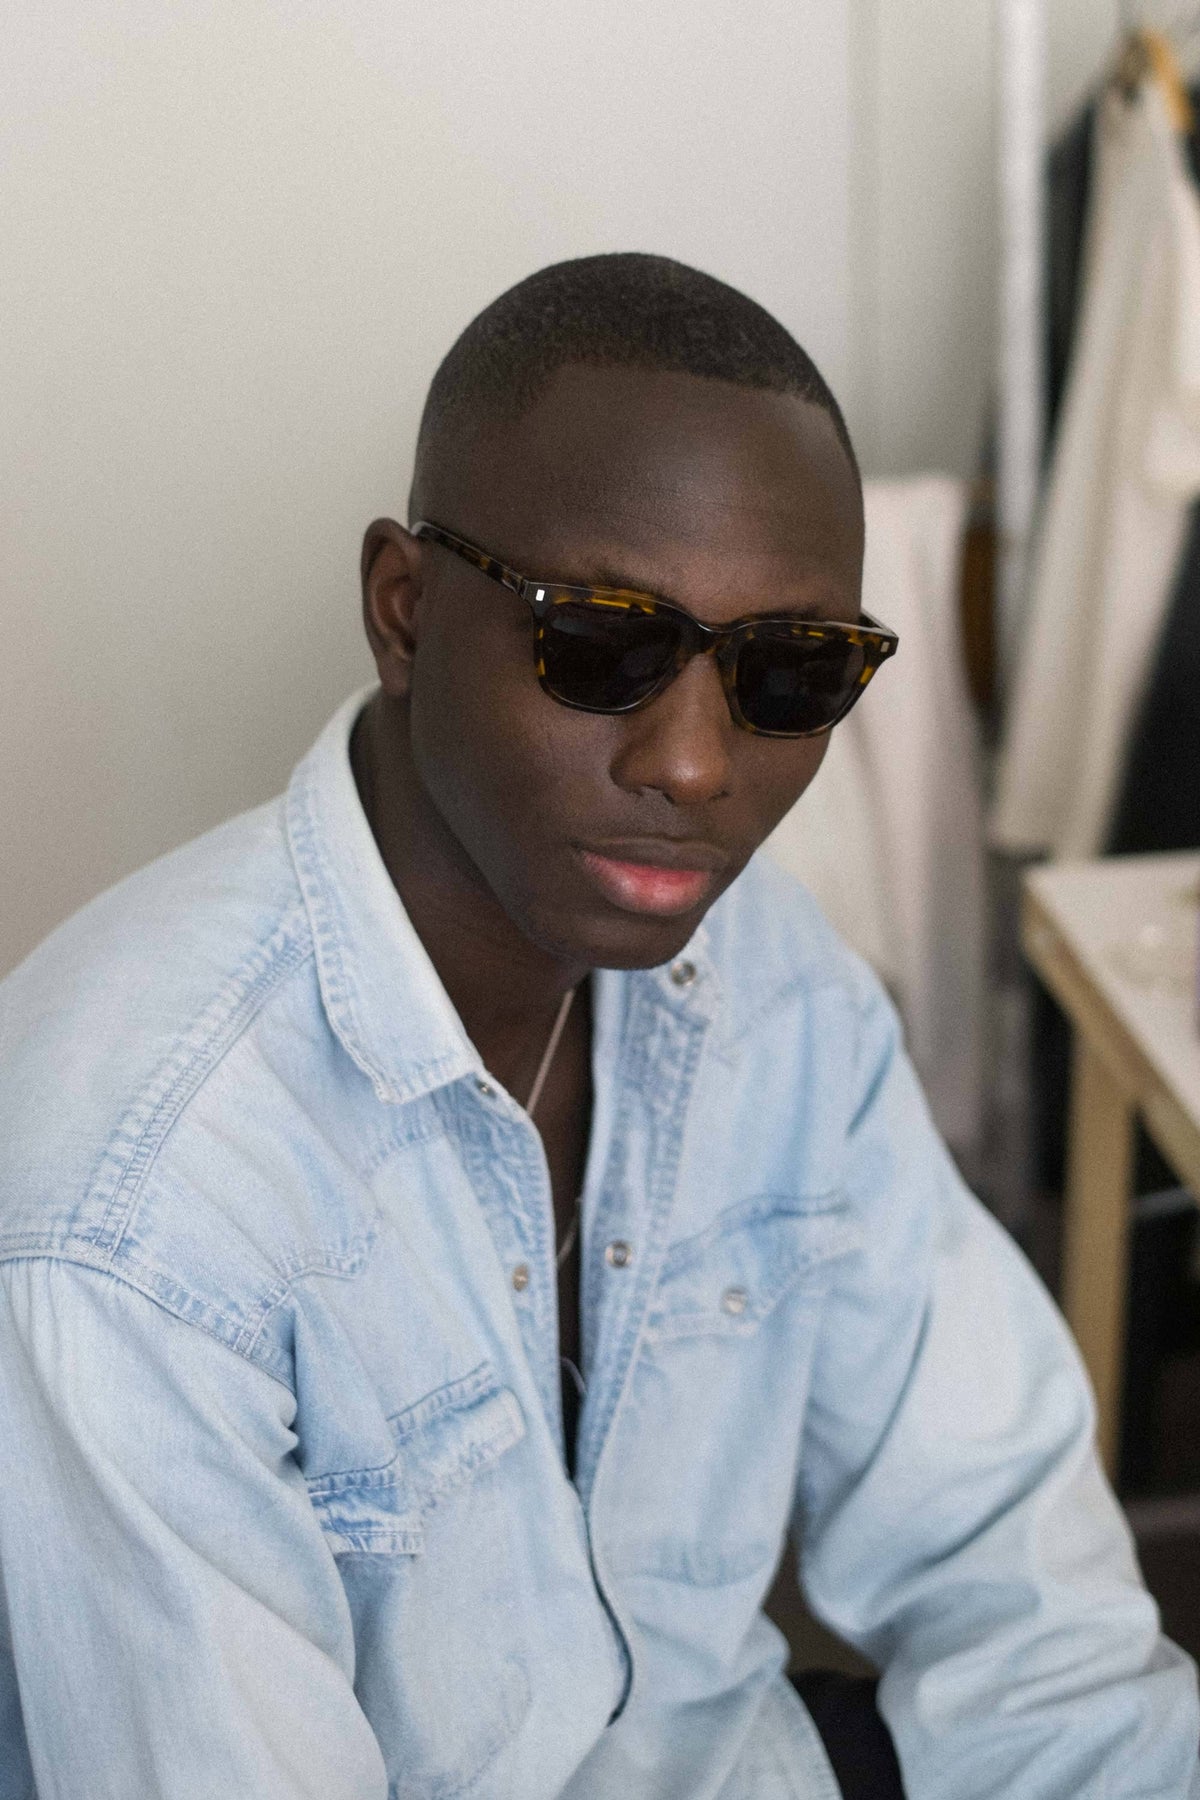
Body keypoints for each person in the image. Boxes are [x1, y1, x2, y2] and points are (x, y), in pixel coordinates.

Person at [0, 253, 1194, 1800]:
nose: (694, 764)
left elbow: (1023, 1590)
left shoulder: (773, 990)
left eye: (792, 670)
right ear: (404, 612)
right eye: (605, 643)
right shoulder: (133, 1213)